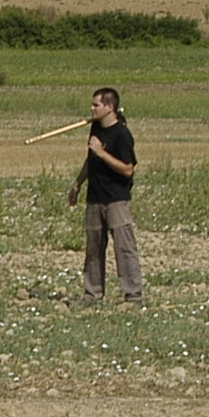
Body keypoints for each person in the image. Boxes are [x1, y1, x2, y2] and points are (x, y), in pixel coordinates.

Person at [68, 85, 140, 306]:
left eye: (96, 105)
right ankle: (92, 293)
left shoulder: (122, 134)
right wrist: (78, 183)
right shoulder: (96, 130)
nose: (92, 108)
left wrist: (102, 152)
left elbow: (128, 168)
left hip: (116, 199)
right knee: (93, 249)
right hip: (95, 197)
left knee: (124, 248)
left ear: (110, 107)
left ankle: (133, 295)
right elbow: (91, 160)